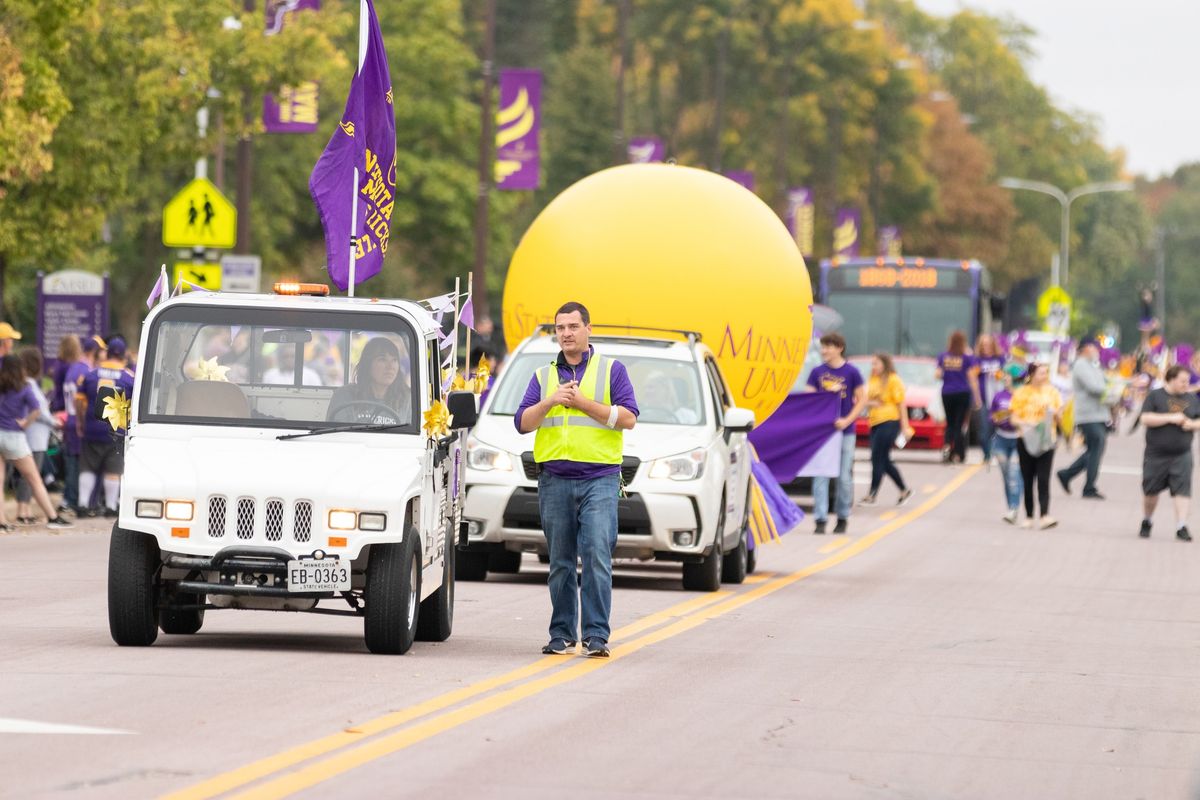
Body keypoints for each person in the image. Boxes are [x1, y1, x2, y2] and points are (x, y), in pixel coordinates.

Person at [515, 301, 638, 659]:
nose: (566, 333)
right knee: (560, 561)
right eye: (560, 328)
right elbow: (522, 422)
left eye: (572, 326)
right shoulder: (542, 376)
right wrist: (551, 401)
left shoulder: (612, 370)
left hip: (599, 478)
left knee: (597, 554)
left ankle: (597, 635)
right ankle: (562, 634)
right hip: (554, 478)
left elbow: (628, 418)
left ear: (588, 329)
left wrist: (584, 403)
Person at [804, 332, 865, 534]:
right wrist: (827, 393)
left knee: (844, 477)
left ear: (839, 348)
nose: (824, 351)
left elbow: (862, 399)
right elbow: (808, 399)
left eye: (828, 347)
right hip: (823, 433)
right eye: (823, 347)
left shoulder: (852, 372)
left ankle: (842, 516)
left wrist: (847, 420)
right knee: (820, 475)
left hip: (845, 431)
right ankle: (820, 519)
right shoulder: (817, 372)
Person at [0, 356, 71, 530]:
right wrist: (25, 423)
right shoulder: (24, 387)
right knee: (34, 478)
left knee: (0, 480)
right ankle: (52, 517)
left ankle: (1, 521)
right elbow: (37, 408)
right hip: (15, 437)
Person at [75, 335, 135, 517]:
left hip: (92, 426)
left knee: (88, 466)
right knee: (113, 469)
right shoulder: (129, 378)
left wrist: (80, 421)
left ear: (107, 353)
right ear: (123, 355)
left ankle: (83, 505)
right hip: (116, 428)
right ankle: (111, 507)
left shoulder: (90, 374)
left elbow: (79, 401)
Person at [1138, 364, 1200, 541]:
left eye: (1187, 381)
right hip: (1156, 453)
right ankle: (1147, 520)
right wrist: (1170, 418)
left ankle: (1181, 526)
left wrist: (1192, 424)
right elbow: (1145, 418)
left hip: (1182, 453)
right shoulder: (1155, 396)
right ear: (1171, 379)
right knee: (1151, 491)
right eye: (1182, 381)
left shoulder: (1192, 399)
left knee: (1183, 490)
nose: (1185, 385)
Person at [1010, 362, 1063, 529]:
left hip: (1047, 439)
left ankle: (1045, 515)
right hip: (1025, 438)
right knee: (1027, 478)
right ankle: (1029, 515)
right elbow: (1013, 418)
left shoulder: (1052, 393)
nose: (1044, 376)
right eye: (1041, 373)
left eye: (1046, 373)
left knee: (1043, 477)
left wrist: (1055, 414)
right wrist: (1026, 423)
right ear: (1032, 375)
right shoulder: (1021, 393)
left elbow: (1060, 417)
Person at [1057, 340, 1111, 500]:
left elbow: (1106, 380)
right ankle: (1089, 487)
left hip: (1099, 413)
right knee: (1097, 447)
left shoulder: (1093, 364)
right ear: (1085, 348)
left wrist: (1124, 384)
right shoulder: (1081, 365)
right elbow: (1095, 387)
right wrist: (1111, 390)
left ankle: (1067, 474)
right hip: (1088, 415)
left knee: (1095, 449)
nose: (1096, 350)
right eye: (1093, 346)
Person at [859, 352, 913, 507]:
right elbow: (867, 400)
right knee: (884, 459)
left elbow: (901, 404)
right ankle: (904, 489)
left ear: (885, 364)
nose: (873, 367)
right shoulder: (873, 379)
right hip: (874, 421)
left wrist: (905, 426)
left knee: (877, 457)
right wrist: (871, 403)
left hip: (889, 420)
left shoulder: (893, 379)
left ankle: (872, 494)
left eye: (876, 363)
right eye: (872, 364)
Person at [326, 337, 412, 425]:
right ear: (368, 365)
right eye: (382, 359)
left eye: (394, 360)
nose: (390, 367)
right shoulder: (344, 396)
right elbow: (335, 434)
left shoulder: (407, 399)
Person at [15, 347, 58, 524]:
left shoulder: (26, 384)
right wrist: (54, 422)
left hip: (34, 436)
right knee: (31, 476)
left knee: (30, 476)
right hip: (35, 438)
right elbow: (39, 411)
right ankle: (22, 510)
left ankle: (24, 508)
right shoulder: (30, 385)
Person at [936, 330, 981, 464]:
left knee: (949, 423)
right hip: (962, 392)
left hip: (947, 393)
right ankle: (958, 454)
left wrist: (948, 374)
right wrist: (977, 398)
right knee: (959, 424)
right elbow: (972, 377)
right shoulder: (967, 358)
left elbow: (937, 375)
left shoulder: (943, 356)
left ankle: (947, 446)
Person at [990, 365, 1025, 524]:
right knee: (1006, 475)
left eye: (1008, 376)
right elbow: (991, 416)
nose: (1005, 378)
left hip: (1018, 438)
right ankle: (1011, 506)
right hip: (1001, 439)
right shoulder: (999, 396)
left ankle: (1014, 507)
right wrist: (996, 418)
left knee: (1014, 473)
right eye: (1004, 376)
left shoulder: (1023, 396)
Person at [973, 333, 1005, 462]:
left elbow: (1005, 375)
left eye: (988, 344)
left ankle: (994, 451)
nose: (986, 346)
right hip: (984, 399)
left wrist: (998, 374)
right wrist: (977, 399)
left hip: (998, 400)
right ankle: (986, 454)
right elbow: (973, 378)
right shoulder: (977, 360)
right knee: (984, 429)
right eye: (983, 344)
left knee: (996, 428)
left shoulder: (1000, 359)